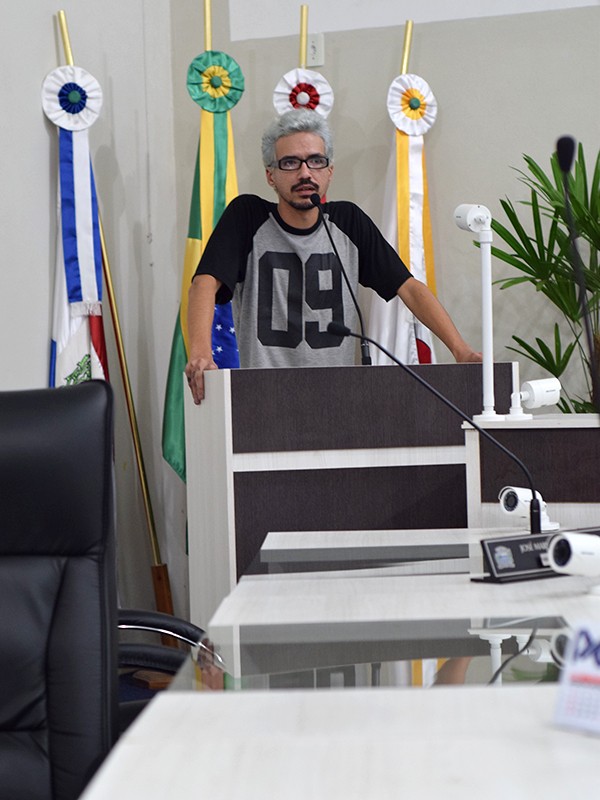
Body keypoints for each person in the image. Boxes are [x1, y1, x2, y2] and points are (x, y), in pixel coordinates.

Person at [186, 108, 481, 404]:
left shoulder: (347, 222)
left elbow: (410, 288)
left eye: (316, 161)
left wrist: (461, 350)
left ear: (329, 171)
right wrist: (201, 354)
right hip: (264, 396)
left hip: (337, 399)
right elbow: (205, 283)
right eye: (290, 163)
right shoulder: (247, 217)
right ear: (270, 175)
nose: (305, 173)